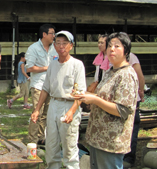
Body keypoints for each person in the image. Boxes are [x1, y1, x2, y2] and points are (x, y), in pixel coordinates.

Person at [74, 32, 138, 169]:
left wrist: (95, 100)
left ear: (126, 50)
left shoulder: (126, 74)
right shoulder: (109, 71)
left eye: (117, 46)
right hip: (98, 137)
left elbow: (123, 110)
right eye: (109, 46)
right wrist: (85, 95)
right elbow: (102, 97)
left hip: (111, 140)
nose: (111, 49)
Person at [31, 31, 86, 169]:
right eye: (58, 43)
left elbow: (80, 94)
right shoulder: (52, 65)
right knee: (51, 144)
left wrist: (72, 112)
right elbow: (45, 89)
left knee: (69, 145)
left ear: (71, 46)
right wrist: (37, 109)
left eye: (65, 43)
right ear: (54, 46)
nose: (61, 46)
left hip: (69, 105)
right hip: (54, 105)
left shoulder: (77, 65)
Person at [25, 23, 58, 145]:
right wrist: (47, 68)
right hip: (38, 85)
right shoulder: (33, 48)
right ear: (44, 34)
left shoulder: (54, 48)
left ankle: (40, 138)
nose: (54, 36)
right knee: (36, 113)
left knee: (46, 114)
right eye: (52, 33)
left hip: (51, 86)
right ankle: (32, 140)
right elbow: (29, 68)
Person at [123, 52, 145, 168]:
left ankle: (129, 158)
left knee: (132, 127)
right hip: (118, 100)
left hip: (131, 99)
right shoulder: (101, 58)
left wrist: (141, 91)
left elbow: (140, 76)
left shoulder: (131, 57)